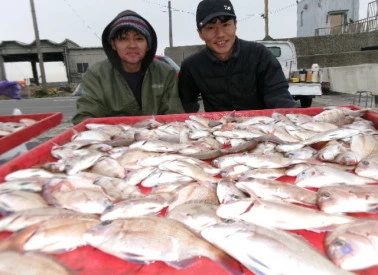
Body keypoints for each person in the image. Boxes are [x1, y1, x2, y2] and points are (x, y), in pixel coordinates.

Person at [178, 0, 296, 113]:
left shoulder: (259, 54)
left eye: (226, 25)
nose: (220, 34)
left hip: (260, 127)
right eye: (210, 28)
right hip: (217, 129)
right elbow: (185, 106)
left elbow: (278, 95)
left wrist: (288, 118)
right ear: (200, 33)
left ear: (235, 25)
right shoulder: (192, 66)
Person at [72, 10, 184, 125]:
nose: (132, 45)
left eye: (139, 38)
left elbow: (174, 115)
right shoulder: (96, 74)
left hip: (157, 138)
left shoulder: (165, 72)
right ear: (113, 44)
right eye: (123, 39)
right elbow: (84, 118)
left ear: (148, 44)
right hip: (112, 139)